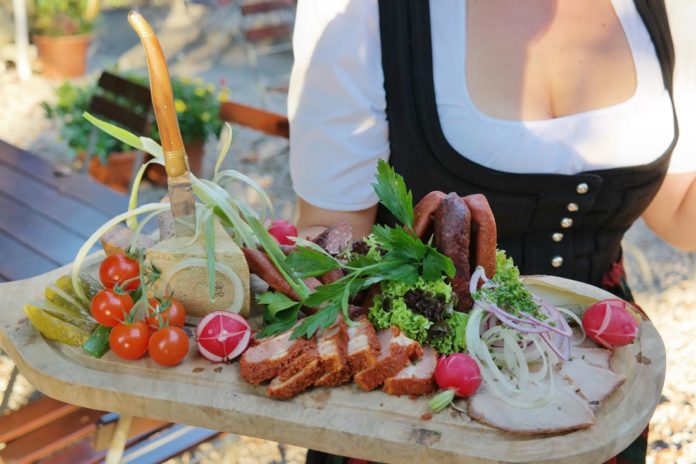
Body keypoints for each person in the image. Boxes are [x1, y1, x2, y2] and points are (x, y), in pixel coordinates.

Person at [287, 1, 696, 463]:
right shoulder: (359, 11)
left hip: (598, 392)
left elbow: (680, 214)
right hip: (416, 405)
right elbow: (330, 240)